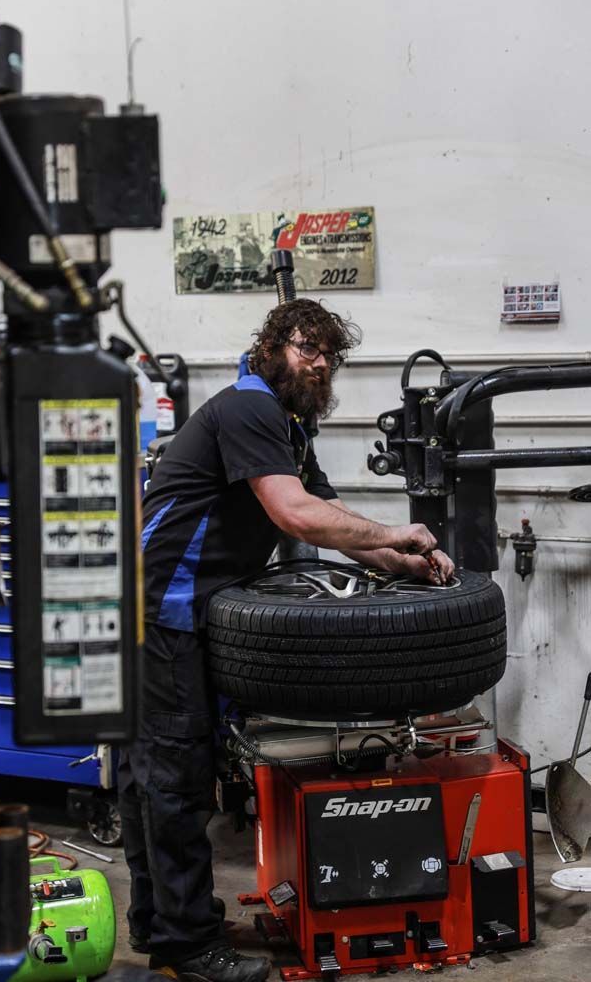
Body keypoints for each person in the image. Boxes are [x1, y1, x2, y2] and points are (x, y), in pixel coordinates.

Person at [118, 299, 454, 982]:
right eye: (307, 347)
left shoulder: (289, 429)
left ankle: (168, 925)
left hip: (176, 611)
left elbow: (328, 520)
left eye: (330, 353)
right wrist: (399, 532)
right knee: (173, 779)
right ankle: (188, 943)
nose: (320, 362)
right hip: (160, 609)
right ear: (271, 345)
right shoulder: (248, 408)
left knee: (151, 777)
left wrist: (404, 562)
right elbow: (292, 513)